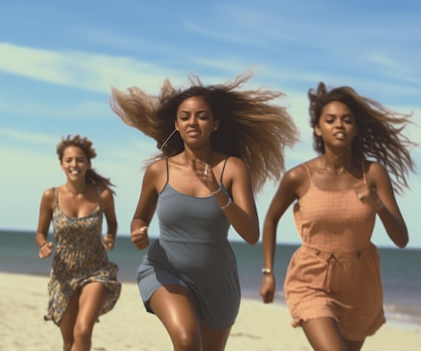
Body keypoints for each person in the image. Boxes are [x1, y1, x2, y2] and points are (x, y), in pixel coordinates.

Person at [110, 70, 298, 351]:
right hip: (165, 270)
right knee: (187, 342)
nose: (192, 122)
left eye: (202, 116)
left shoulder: (232, 168)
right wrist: (138, 230)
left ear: (216, 123)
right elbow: (140, 217)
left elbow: (250, 233)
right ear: (176, 124)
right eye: (185, 116)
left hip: (217, 281)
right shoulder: (159, 171)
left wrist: (218, 192)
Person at [259, 82, 417, 351]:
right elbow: (271, 218)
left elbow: (401, 238)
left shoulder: (374, 174)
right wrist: (268, 272)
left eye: (347, 120)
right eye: (330, 120)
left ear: (356, 129)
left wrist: (377, 203)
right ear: (318, 129)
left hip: (361, 283)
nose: (339, 126)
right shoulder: (299, 177)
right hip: (312, 279)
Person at [35, 134, 121, 351]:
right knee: (68, 340)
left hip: (96, 269)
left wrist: (110, 236)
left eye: (80, 160)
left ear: (88, 164)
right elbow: (40, 232)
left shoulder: (103, 196)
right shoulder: (50, 196)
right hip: (64, 273)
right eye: (69, 160)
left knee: (83, 330)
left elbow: (112, 222)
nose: (74, 164)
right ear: (62, 165)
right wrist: (43, 245)